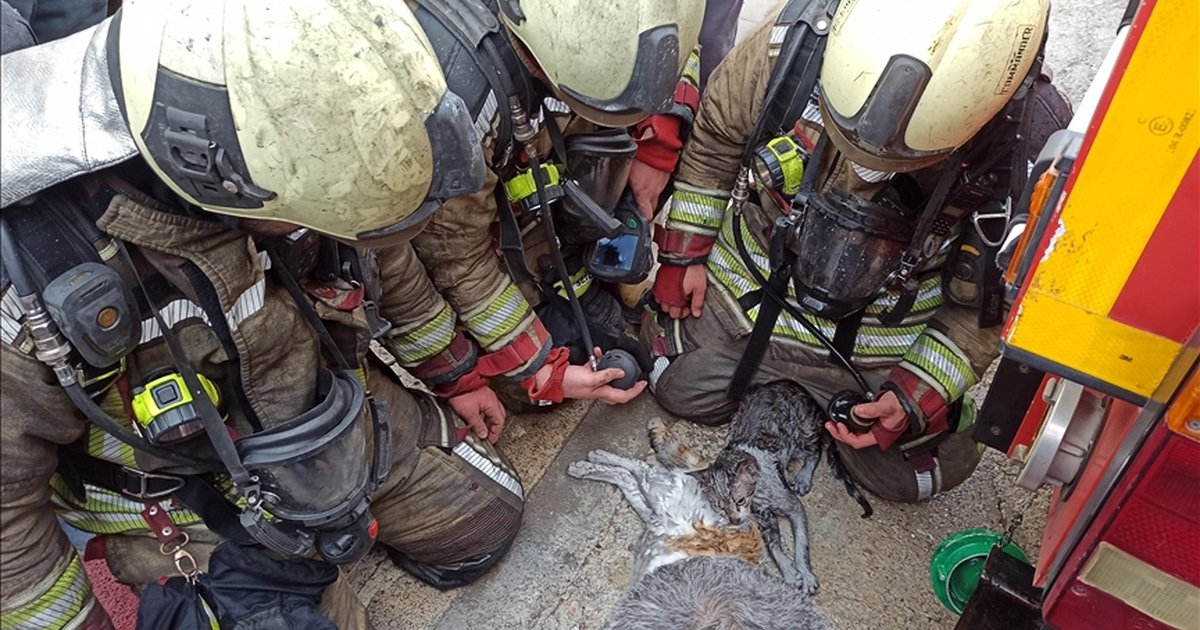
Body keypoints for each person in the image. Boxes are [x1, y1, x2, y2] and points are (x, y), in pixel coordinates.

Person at [0, 0, 523, 627]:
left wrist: (457, 373)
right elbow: (7, 515)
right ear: (211, 173)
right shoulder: (35, 274)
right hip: (185, 501)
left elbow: (382, 256)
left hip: (326, 424)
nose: (311, 231)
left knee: (489, 520)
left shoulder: (289, 107)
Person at [641, 0, 1073, 502]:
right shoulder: (795, 44)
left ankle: (901, 407)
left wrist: (914, 393)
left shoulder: (1028, 150)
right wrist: (683, 256)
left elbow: (987, 307)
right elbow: (716, 142)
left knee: (917, 477)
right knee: (672, 384)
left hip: (879, 345)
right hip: (751, 302)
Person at [395, 0, 706, 416]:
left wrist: (659, 145)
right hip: (477, 213)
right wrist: (542, 368)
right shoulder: (459, 108)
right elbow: (457, 259)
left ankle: (585, 271)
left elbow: (677, 50)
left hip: (545, 158)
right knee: (533, 390)